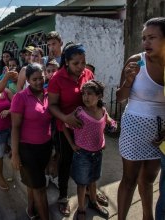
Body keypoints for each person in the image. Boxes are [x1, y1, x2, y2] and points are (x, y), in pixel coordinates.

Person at [116, 17, 165, 220]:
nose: (146, 43)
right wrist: (128, 81)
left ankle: (148, 217)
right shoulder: (136, 61)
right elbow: (120, 98)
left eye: (152, 38)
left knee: (149, 179)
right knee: (129, 179)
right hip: (133, 129)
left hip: (160, 134)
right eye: (144, 38)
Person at [48, 43, 94, 216]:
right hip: (64, 128)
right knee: (66, 162)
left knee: (89, 159)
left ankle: (91, 192)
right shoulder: (57, 78)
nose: (81, 67)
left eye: (83, 62)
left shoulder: (88, 74)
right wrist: (65, 118)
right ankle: (63, 196)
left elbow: (94, 95)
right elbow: (52, 105)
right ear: (66, 62)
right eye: (76, 63)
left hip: (86, 128)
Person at [63, 80, 117, 219]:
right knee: (82, 184)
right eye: (84, 94)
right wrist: (72, 145)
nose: (86, 97)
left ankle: (93, 202)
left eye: (90, 94)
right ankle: (81, 209)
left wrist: (111, 127)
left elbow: (107, 123)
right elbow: (64, 125)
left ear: (99, 96)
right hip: (82, 155)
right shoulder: (80, 112)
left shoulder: (103, 111)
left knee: (93, 180)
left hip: (98, 154)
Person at [11, 63, 52, 220]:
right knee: (40, 188)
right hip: (27, 150)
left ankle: (30, 208)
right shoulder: (20, 97)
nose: (38, 82)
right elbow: (15, 127)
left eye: (41, 78)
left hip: (45, 147)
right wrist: (15, 154)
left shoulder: (49, 94)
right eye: (34, 79)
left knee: (33, 183)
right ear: (27, 80)